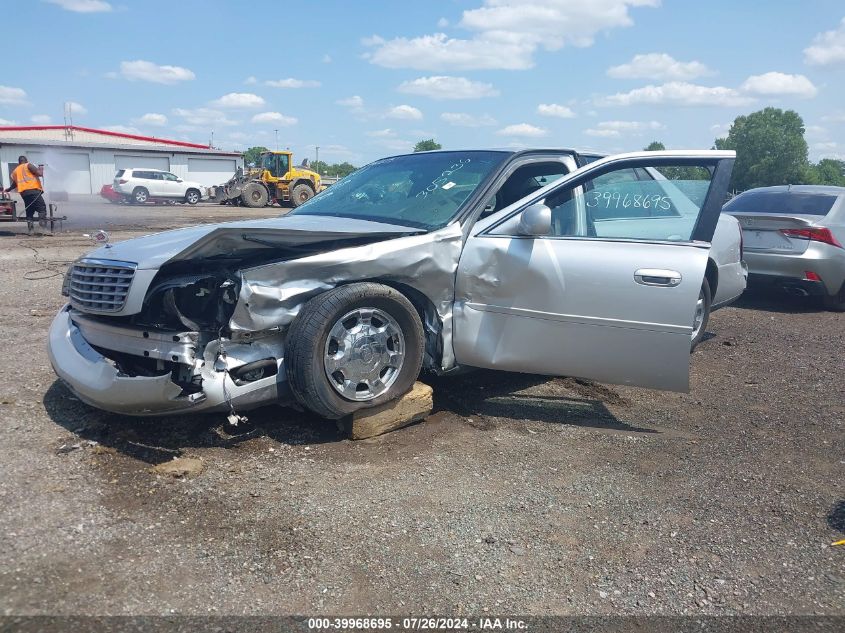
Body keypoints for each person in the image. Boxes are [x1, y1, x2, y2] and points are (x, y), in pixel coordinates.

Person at [5, 155, 47, 235]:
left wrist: (9, 189)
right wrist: (41, 167)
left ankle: (31, 230)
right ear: (26, 160)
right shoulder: (28, 165)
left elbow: (15, 184)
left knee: (30, 210)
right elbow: (40, 174)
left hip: (24, 194)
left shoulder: (15, 171)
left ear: (19, 162)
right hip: (33, 191)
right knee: (42, 208)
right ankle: (43, 229)